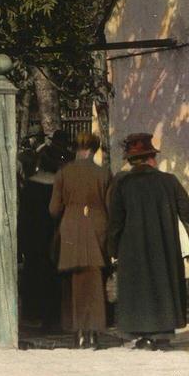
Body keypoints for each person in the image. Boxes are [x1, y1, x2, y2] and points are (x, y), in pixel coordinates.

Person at [107, 132, 189, 350]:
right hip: (164, 244)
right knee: (163, 284)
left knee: (139, 288)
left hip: (132, 247)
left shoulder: (122, 185)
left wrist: (112, 248)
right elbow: (187, 211)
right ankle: (163, 333)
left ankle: (142, 333)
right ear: (151, 158)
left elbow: (115, 221)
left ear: (131, 161)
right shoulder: (169, 181)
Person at [50, 131, 112, 349]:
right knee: (95, 281)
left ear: (76, 149)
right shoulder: (103, 173)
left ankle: (78, 333)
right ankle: (94, 333)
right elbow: (110, 206)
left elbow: (54, 209)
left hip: (71, 229)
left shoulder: (63, 173)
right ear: (93, 150)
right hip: (97, 228)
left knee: (73, 284)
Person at [18, 141, 66, 333]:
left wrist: (22, 239)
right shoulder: (59, 185)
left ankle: (34, 315)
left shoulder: (31, 184)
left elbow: (24, 215)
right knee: (54, 274)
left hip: (34, 234)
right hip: (54, 233)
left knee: (34, 273)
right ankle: (53, 316)